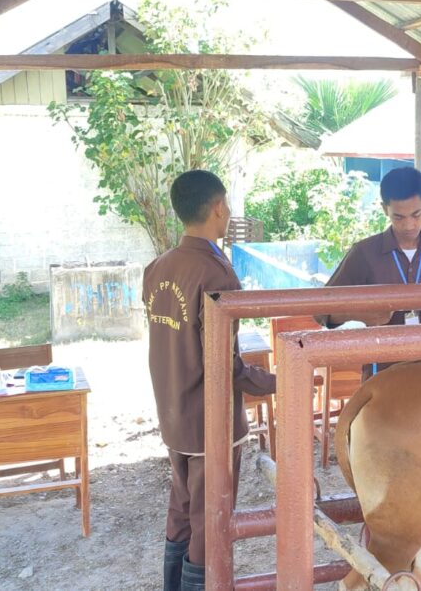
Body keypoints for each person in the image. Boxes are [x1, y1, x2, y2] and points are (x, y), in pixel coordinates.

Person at [314, 166, 421, 582]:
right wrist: (362, 312)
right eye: (398, 217)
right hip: (383, 384)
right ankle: (379, 560)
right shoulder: (364, 253)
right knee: (386, 474)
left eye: (416, 215)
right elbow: (322, 310)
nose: (408, 225)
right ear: (385, 210)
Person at [142, 170, 278, 591]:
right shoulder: (215, 272)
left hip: (173, 410)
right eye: (228, 204)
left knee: (182, 507)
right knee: (210, 518)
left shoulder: (157, 267)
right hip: (209, 418)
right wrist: (277, 381)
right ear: (218, 208)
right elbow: (225, 365)